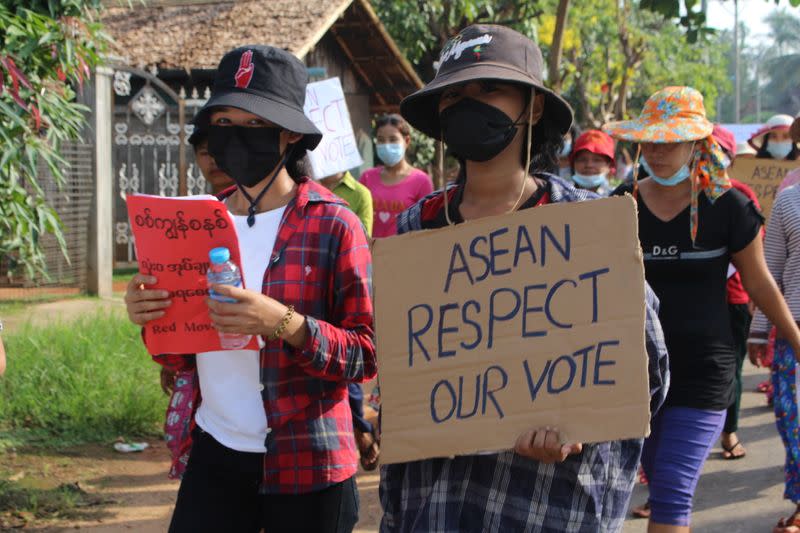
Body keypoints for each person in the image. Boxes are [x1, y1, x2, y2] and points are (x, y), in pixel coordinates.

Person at [380, 24, 669, 532]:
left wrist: (578, 421)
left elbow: (646, 371)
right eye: (453, 94)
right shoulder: (412, 231)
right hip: (433, 509)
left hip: (545, 508)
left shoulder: (586, 226)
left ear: (533, 108)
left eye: (488, 88)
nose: (467, 103)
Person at [124, 45, 376, 532]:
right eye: (222, 123)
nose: (234, 136)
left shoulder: (335, 226)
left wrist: (285, 324)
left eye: (252, 123)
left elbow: (367, 354)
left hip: (309, 464)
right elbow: (178, 355)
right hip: (216, 454)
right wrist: (151, 313)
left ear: (287, 135)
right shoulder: (193, 223)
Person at [605, 86, 800, 533]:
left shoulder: (729, 206)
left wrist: (795, 341)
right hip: (634, 375)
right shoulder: (622, 201)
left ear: (697, 143)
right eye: (649, 140)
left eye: (668, 141)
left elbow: (759, 283)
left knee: (672, 492)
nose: (655, 150)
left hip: (704, 372)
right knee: (654, 483)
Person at [748, 121, 800, 533]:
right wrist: (760, 330)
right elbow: (772, 272)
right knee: (791, 416)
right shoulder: (787, 202)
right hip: (793, 333)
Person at [317, 169, 379, 470]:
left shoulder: (359, 194)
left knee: (351, 361)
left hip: (352, 283)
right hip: (315, 291)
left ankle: (363, 429)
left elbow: (361, 240)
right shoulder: (303, 191)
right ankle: (362, 429)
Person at [713, 124, 764, 461]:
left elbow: (755, 259)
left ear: (730, 159)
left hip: (733, 300)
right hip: (684, 304)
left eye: (718, 152)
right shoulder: (668, 194)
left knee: (731, 370)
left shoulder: (741, 197)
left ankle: (729, 432)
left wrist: (756, 309)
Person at [359, 114, 433, 239]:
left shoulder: (421, 181)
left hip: (406, 254)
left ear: (407, 141)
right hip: (371, 254)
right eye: (381, 140)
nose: (386, 145)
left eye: (393, 139)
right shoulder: (367, 178)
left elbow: (427, 226)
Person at [569, 129, 616, 195]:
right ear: (574, 163)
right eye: (582, 159)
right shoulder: (559, 195)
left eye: (597, 160)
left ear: (609, 165)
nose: (589, 165)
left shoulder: (617, 197)